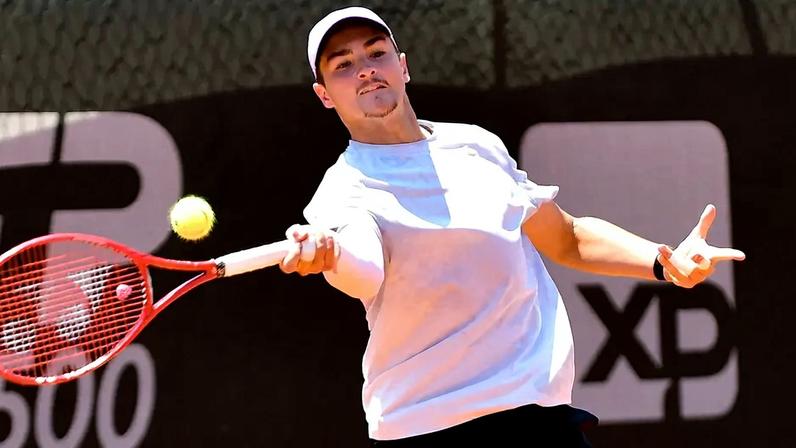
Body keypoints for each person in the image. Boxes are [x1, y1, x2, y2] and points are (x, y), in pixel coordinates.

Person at [280, 6, 746, 447]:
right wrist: (330, 255)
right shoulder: (342, 191)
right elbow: (363, 269)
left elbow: (565, 237)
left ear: (402, 67)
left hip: (535, 415)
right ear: (324, 95)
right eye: (342, 64)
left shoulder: (476, 145)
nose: (364, 69)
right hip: (423, 428)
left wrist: (666, 263)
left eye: (375, 52)